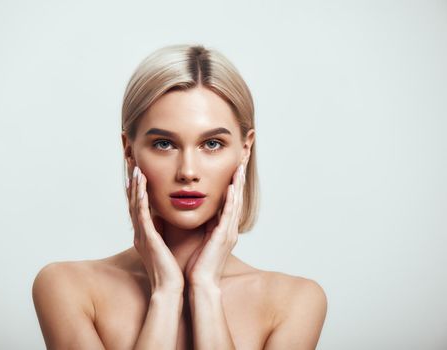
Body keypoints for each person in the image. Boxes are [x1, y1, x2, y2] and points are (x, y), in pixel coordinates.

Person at [32, 44, 327, 349]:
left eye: (212, 144)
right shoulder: (67, 287)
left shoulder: (295, 302)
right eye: (164, 144)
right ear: (129, 150)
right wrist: (166, 292)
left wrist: (205, 288)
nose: (188, 171)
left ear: (245, 150)